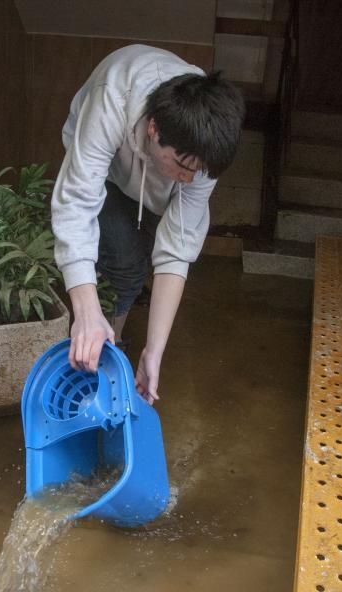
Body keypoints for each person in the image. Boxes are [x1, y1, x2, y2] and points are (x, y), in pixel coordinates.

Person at [51, 44, 245, 404]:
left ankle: (118, 344)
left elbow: (177, 247)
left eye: (198, 172)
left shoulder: (202, 148)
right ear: (153, 128)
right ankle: (105, 347)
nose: (190, 179)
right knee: (124, 261)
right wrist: (85, 312)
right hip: (107, 169)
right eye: (183, 167)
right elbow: (76, 203)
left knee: (143, 258)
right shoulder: (111, 100)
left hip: (153, 177)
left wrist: (155, 352)